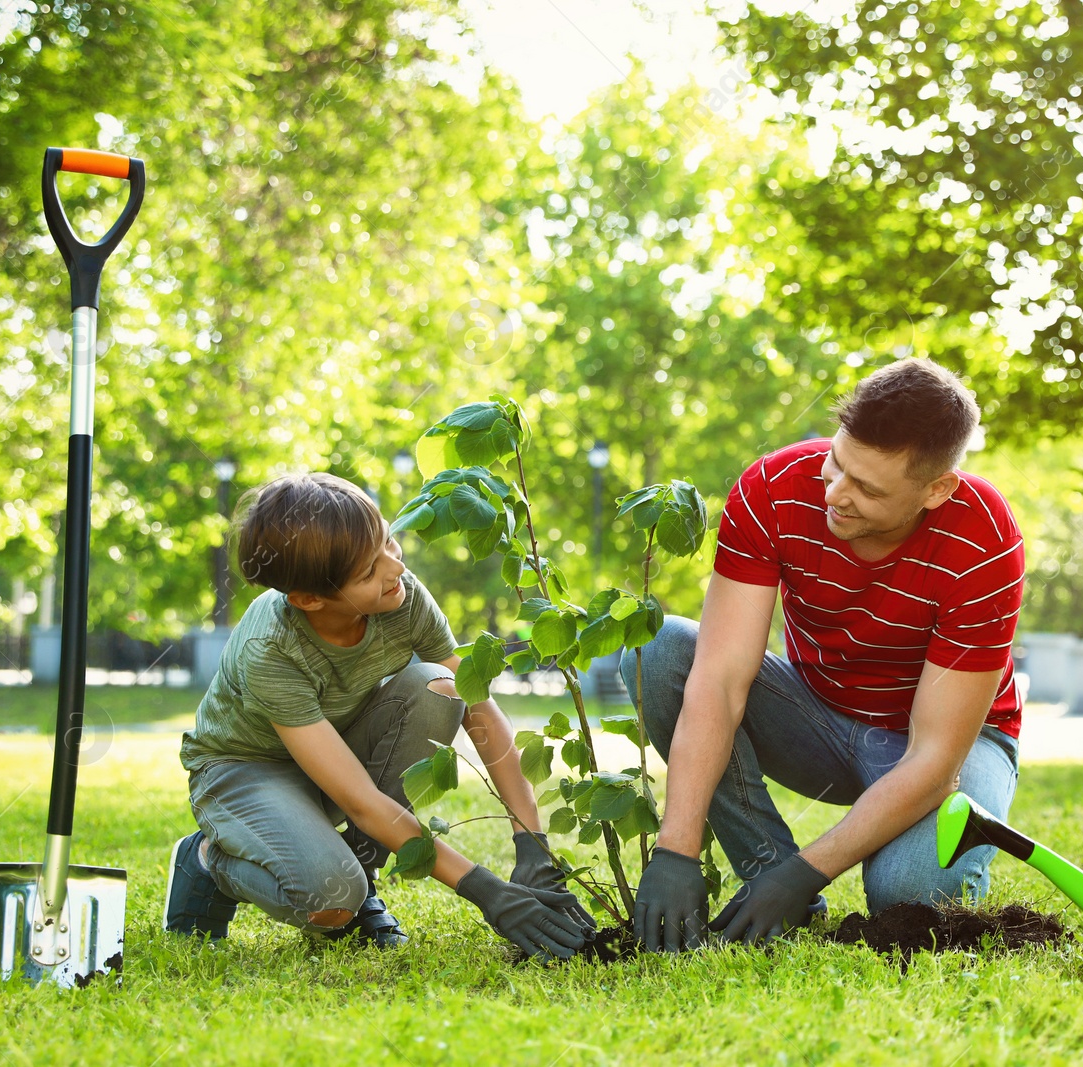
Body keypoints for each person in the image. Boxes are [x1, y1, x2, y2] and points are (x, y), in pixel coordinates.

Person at [622, 358, 1025, 951]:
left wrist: (808, 868)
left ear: (937, 490)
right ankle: (769, 874)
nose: (835, 493)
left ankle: (792, 882)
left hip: (955, 743)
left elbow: (937, 759)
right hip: (818, 716)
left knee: (908, 901)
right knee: (660, 654)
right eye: (838, 463)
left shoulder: (982, 539)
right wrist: (676, 850)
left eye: (868, 487)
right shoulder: (773, 490)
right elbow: (719, 679)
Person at [164, 472, 591, 958]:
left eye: (388, 540)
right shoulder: (271, 649)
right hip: (243, 771)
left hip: (335, 751)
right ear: (309, 599)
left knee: (442, 686)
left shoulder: (400, 596)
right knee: (329, 898)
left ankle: (362, 878)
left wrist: (531, 842)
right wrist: (485, 890)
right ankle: (206, 860)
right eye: (369, 571)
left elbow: (479, 706)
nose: (394, 567)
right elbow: (364, 802)